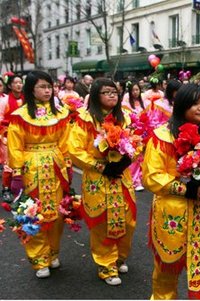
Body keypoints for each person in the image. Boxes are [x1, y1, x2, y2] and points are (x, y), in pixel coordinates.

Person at [142, 84, 200, 299]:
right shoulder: (162, 137)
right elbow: (152, 177)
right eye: (195, 103)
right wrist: (185, 189)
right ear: (182, 105)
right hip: (172, 212)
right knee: (167, 268)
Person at [68, 78, 136, 286]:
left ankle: (119, 257)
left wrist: (126, 159)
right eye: (106, 92)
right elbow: (75, 149)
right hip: (98, 176)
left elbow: (135, 141)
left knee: (127, 219)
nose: (112, 95)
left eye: (114, 92)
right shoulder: (85, 118)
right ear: (96, 95)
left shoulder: (124, 117)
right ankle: (106, 264)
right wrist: (101, 166)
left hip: (120, 176)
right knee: (101, 221)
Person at [7, 70, 72, 278]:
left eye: (49, 86)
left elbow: (65, 141)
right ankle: (39, 259)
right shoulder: (20, 116)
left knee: (58, 213)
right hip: (31, 168)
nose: (47, 90)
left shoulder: (60, 112)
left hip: (55, 167)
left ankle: (52, 253)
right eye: (42, 87)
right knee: (33, 213)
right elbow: (15, 146)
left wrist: (67, 165)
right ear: (31, 90)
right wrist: (16, 174)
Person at [0, 74, 24, 200]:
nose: (19, 85)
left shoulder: (26, 100)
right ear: (9, 85)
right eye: (16, 83)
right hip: (8, 135)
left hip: (24, 136)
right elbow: (0, 118)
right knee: (9, 163)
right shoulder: (4, 101)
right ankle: (6, 188)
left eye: (20, 82)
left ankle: (22, 187)